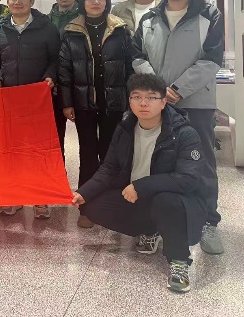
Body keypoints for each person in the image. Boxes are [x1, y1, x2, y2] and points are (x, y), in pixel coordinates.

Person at [73, 74, 209, 293]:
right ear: (130, 101)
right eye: (137, 97)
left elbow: (188, 179)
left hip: (176, 201)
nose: (143, 103)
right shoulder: (125, 129)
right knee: (91, 205)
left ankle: (179, 261)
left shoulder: (184, 133)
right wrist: (84, 192)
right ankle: (151, 229)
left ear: (164, 102)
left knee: (166, 202)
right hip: (139, 196)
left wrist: (142, 186)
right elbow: (110, 168)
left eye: (151, 97)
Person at [133, 0, 225, 255]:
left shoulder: (209, 15)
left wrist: (177, 89)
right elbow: (137, 56)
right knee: (156, 161)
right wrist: (157, 91)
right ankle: (155, 224)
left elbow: (212, 59)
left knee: (201, 162)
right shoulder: (149, 18)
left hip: (195, 103)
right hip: (156, 104)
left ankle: (209, 222)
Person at [59, 0, 132, 228]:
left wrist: (130, 100)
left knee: (111, 155)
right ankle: (87, 208)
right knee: (88, 153)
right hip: (84, 103)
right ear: (83, 1)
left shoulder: (120, 30)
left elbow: (130, 67)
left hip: (114, 102)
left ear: (107, 1)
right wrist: (67, 103)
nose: (96, 2)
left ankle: (112, 205)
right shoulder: (72, 31)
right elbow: (65, 71)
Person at [0, 0, 61, 219]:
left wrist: (50, 76)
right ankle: (14, 196)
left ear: (32, 1)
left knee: (38, 151)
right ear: (7, 1)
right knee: (11, 151)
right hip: (9, 100)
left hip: (37, 100)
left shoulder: (47, 28)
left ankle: (40, 198)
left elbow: (55, 59)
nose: (17, 2)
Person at [47, 0, 80, 163]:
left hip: (80, 81)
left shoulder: (85, 16)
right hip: (55, 83)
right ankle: (59, 172)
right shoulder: (45, 20)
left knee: (87, 134)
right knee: (54, 134)